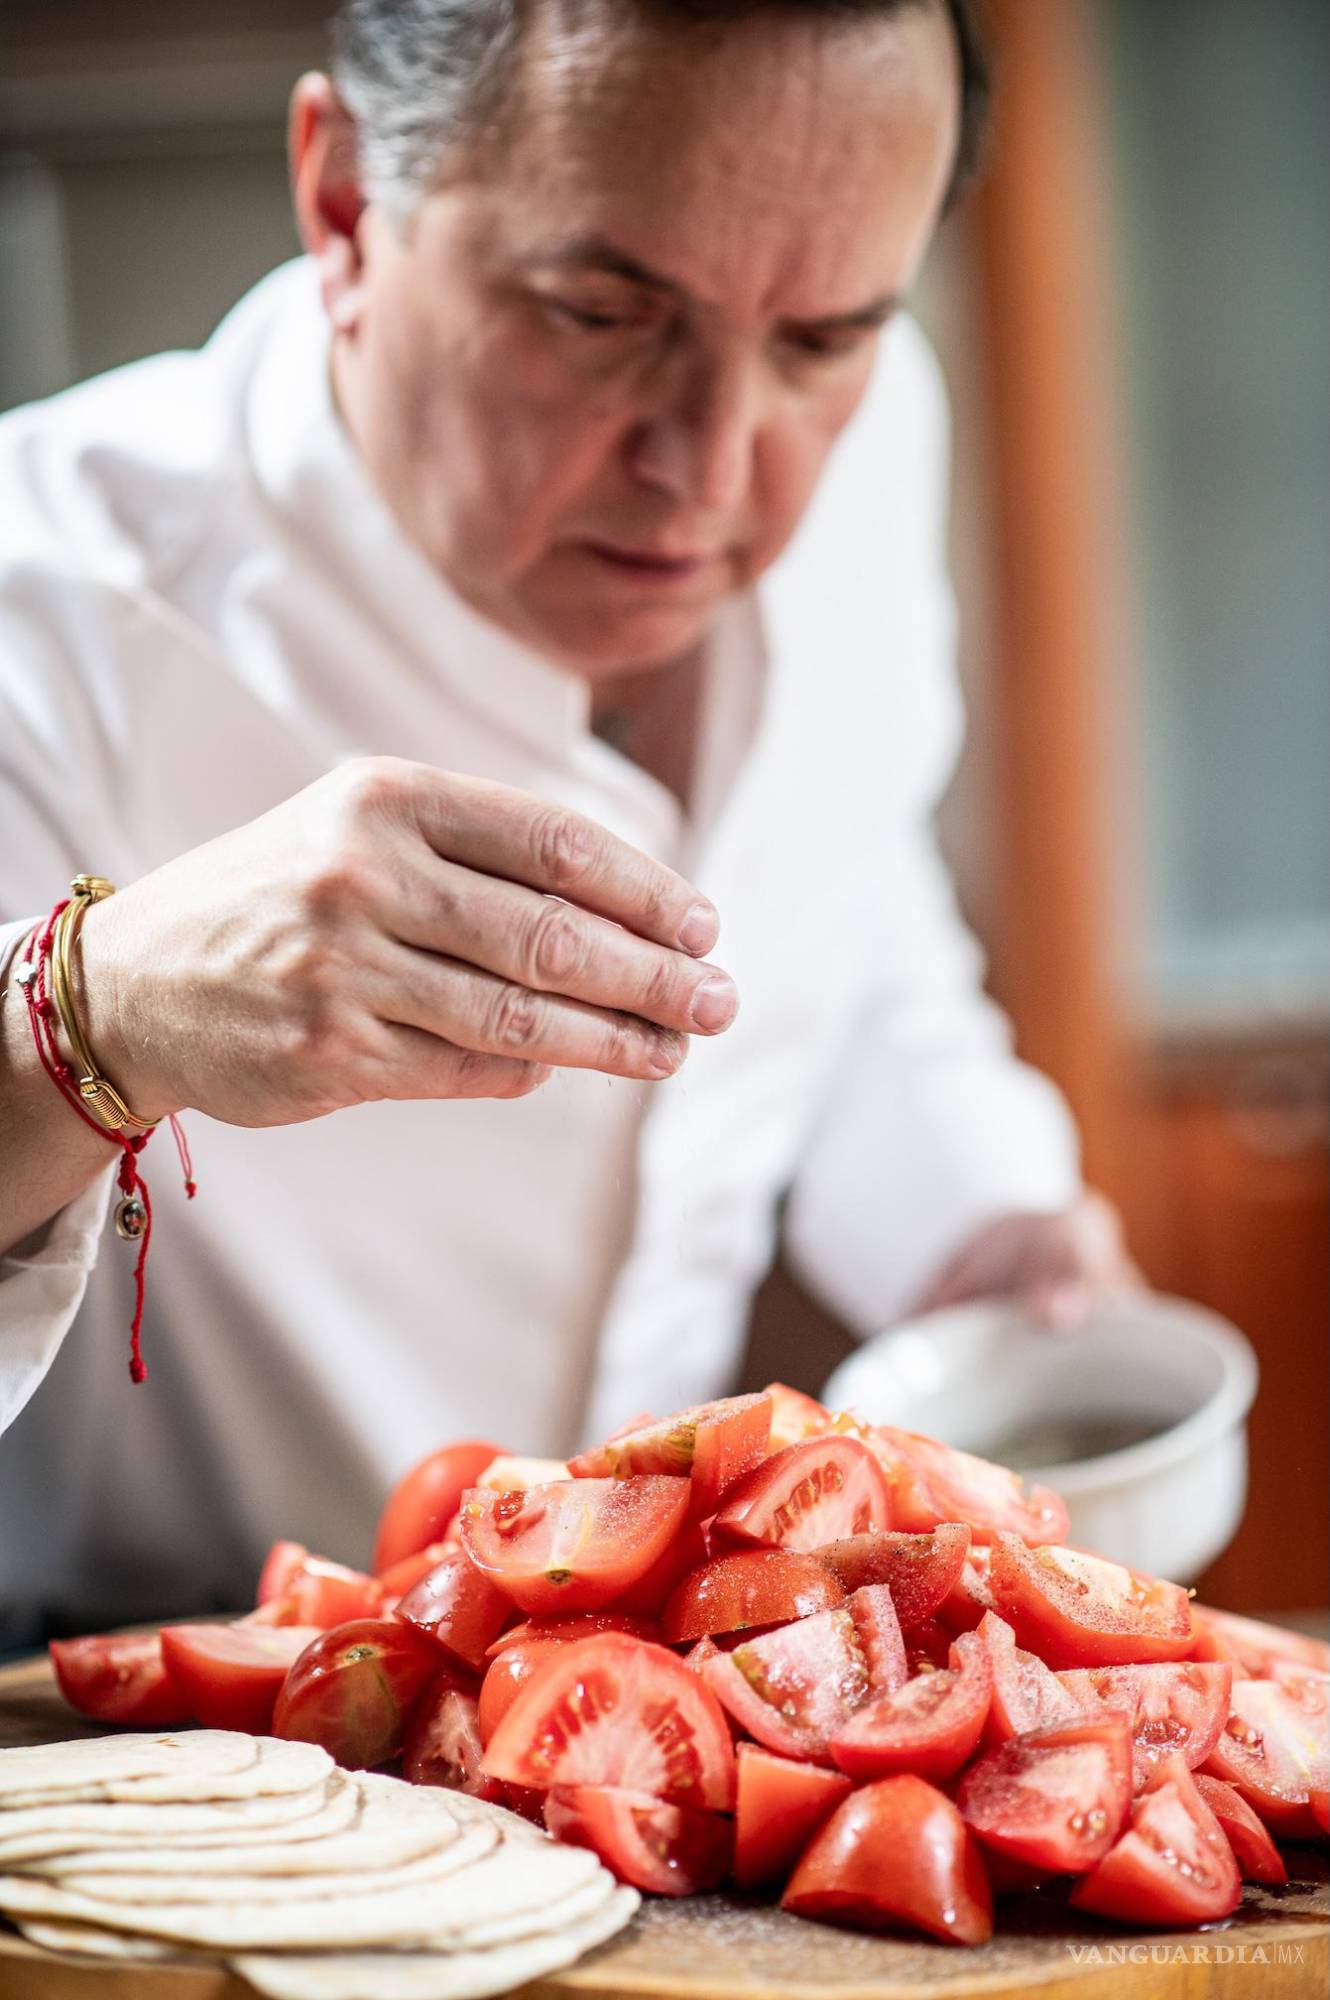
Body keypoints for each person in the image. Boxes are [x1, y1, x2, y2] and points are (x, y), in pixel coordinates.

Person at [0, 0, 1134, 1644]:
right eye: (603, 314)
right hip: (148, 1715)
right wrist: (81, 1017)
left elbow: (841, 890)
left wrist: (976, 1220)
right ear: (346, 205)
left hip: (629, 1713)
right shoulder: (34, 611)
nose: (712, 469)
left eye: (821, 340)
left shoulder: (880, 428)